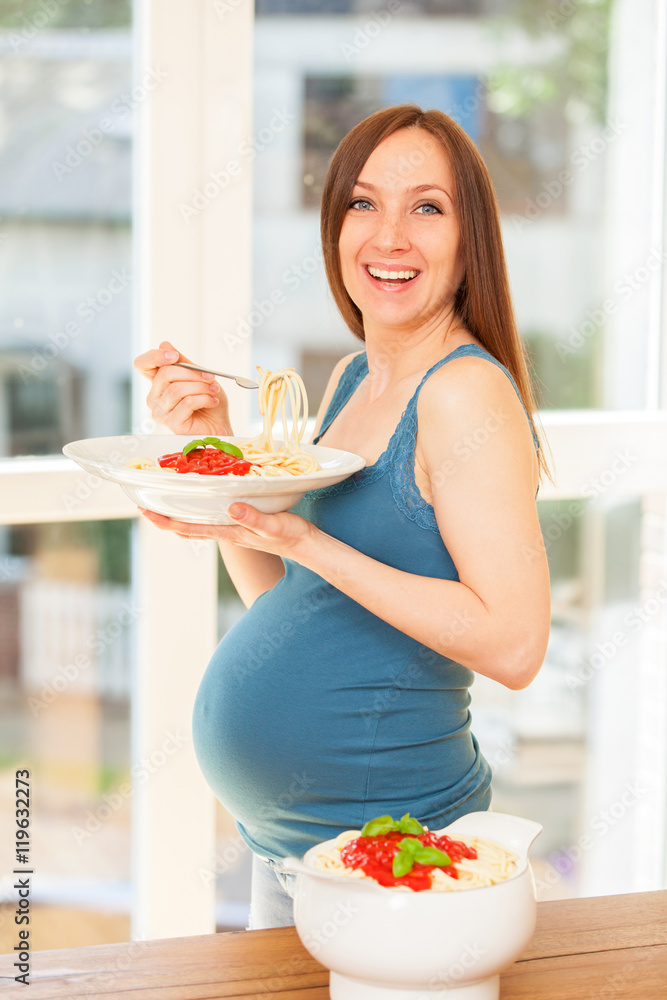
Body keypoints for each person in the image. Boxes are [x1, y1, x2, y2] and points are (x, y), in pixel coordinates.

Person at [134, 104, 551, 929]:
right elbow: (296, 603)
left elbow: (514, 645)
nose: (388, 237)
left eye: (426, 208)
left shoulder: (463, 395)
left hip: (393, 855)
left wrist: (306, 539)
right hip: (293, 851)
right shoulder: (354, 378)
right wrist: (221, 462)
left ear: (470, 241)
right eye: (363, 203)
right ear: (333, 227)